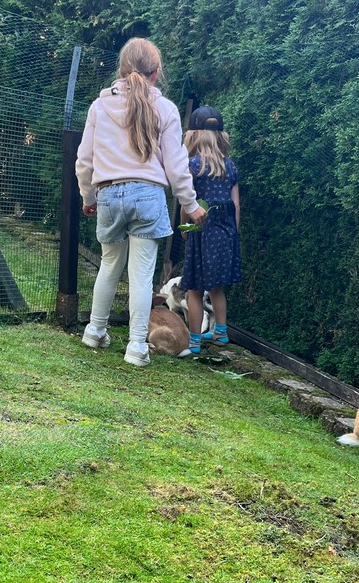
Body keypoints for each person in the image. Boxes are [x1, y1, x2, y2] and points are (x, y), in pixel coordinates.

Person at [76, 38, 207, 367]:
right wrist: (191, 205)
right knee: (141, 275)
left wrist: (88, 197)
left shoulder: (99, 107)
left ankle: (94, 331)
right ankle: (136, 346)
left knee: (109, 264)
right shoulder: (166, 109)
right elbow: (176, 166)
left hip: (108, 193)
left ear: (121, 69)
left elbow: (84, 160)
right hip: (148, 196)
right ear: (156, 73)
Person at [180, 106, 242, 355]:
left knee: (195, 288)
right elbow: (235, 204)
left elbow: (187, 204)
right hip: (225, 233)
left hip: (200, 233)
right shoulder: (230, 166)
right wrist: (233, 233)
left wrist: (185, 228)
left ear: (193, 136)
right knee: (217, 287)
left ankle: (194, 341)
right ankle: (221, 331)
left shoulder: (192, 165)